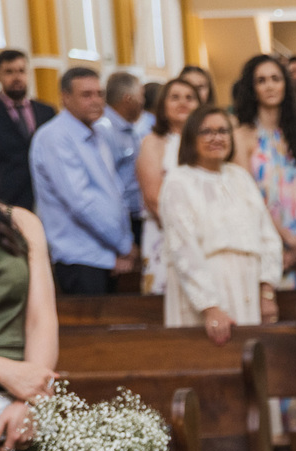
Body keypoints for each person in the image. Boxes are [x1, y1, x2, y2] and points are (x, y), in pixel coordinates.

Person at [159, 106, 281, 341]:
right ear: (191, 137)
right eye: (207, 132)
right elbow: (183, 248)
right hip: (205, 295)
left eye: (223, 131)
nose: (216, 138)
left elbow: (268, 236)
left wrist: (267, 290)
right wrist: (210, 307)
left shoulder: (240, 177)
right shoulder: (178, 182)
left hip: (248, 290)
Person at [0, 154, 56, 451]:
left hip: (19, 402)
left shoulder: (20, 222)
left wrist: (30, 399)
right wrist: (3, 371)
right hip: (10, 379)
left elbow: (41, 318)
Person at [29, 68, 133, 295]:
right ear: (65, 97)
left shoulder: (98, 133)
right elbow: (82, 202)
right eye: (86, 95)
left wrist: (121, 242)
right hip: (79, 257)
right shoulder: (55, 137)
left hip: (106, 252)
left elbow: (113, 192)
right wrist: (123, 244)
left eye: (99, 94)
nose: (96, 101)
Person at [233, 54, 296, 289]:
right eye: (261, 81)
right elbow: (250, 198)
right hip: (267, 239)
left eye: (275, 79)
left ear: (285, 85)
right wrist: (289, 240)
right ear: (252, 89)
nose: (270, 86)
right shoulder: (242, 136)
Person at [138, 78, 200, 295]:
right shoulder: (153, 141)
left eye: (189, 98)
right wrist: (188, 234)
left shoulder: (205, 141)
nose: (183, 102)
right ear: (163, 105)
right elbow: (154, 198)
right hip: (165, 233)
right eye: (175, 97)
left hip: (204, 235)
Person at [0, 50, 55, 210]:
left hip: (46, 198)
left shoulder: (46, 111)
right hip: (6, 200)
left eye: (21, 71)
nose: (17, 77)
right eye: (9, 72)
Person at [95, 72, 147, 251]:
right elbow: (108, 183)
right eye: (141, 96)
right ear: (128, 99)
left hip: (136, 215)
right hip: (123, 221)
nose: (143, 102)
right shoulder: (105, 130)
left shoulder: (128, 128)